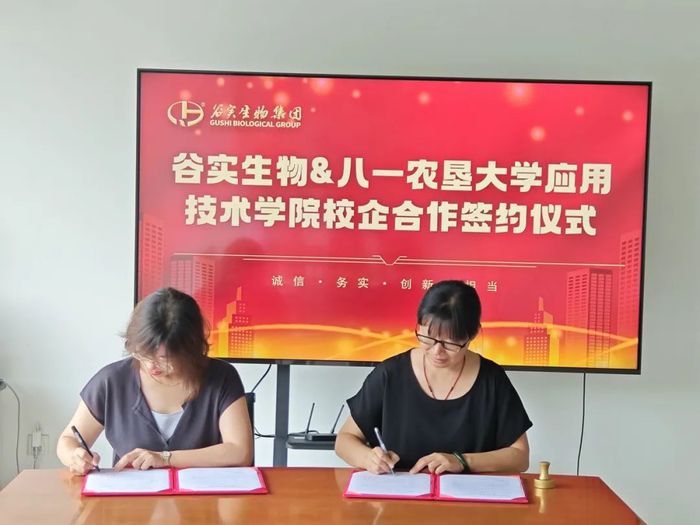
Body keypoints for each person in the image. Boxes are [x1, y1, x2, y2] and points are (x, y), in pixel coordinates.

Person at [335, 280, 532, 475]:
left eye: (450, 343)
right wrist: (368, 458)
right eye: (428, 338)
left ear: (471, 336)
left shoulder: (492, 380)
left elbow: (520, 457)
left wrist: (462, 461)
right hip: (399, 491)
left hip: (469, 494)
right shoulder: (390, 374)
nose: (437, 351)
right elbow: (345, 440)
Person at [57, 287, 253, 475]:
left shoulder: (221, 378)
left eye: (163, 359)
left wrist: (166, 458)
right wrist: (75, 456)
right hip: (132, 497)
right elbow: (67, 440)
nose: (151, 366)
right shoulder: (112, 382)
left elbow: (240, 452)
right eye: (142, 354)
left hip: (203, 496)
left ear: (189, 350)